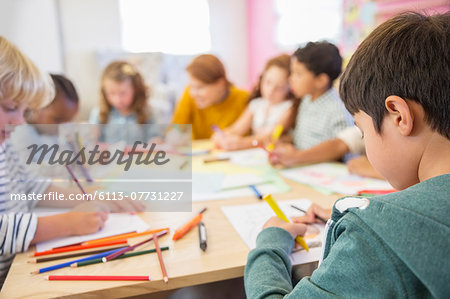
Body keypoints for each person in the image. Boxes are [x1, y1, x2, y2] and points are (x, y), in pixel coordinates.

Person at [245, 12, 450, 297]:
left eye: (363, 131)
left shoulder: (375, 238)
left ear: (399, 116)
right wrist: (371, 207)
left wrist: (269, 244)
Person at [0, 36, 144, 288]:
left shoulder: (4, 145)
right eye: (11, 107)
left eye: (23, 111)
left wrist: (85, 197)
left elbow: (30, 185)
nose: (20, 121)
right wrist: (67, 223)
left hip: (18, 266)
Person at [270, 41, 351, 161]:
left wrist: (297, 157)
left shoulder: (337, 110)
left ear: (321, 81)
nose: (291, 79)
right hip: (302, 167)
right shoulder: (306, 100)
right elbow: (301, 137)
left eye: (298, 74)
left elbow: (341, 150)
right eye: (292, 73)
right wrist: (283, 142)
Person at [212, 54, 297, 151]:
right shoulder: (256, 105)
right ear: (261, 79)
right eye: (268, 82)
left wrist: (242, 143)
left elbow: (272, 136)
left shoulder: (289, 108)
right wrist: (222, 135)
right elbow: (236, 129)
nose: (271, 90)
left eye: (279, 87)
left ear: (290, 88)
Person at [172, 54, 249, 139]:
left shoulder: (244, 99)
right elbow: (176, 127)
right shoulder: (189, 93)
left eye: (200, 87)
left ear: (220, 84)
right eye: (191, 86)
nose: (193, 93)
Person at [89, 61, 156, 144]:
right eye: (111, 93)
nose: (117, 100)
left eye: (123, 93)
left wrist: (155, 142)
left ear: (135, 90)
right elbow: (93, 143)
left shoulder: (148, 113)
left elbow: (155, 139)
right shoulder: (99, 113)